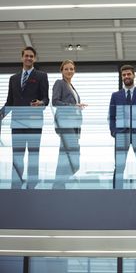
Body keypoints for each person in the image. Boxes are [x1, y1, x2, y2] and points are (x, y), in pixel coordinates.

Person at [0, 46, 49, 189]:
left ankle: (32, 186)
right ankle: (16, 185)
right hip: (17, 123)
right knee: (17, 155)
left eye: (31, 56)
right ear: (22, 57)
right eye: (26, 56)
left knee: (34, 155)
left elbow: (46, 99)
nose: (28, 58)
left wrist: (41, 103)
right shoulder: (13, 78)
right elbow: (10, 102)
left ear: (35, 59)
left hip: (34, 123)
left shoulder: (41, 76)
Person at [109, 64, 136, 189]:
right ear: (122, 77)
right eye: (124, 75)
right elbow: (112, 117)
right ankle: (117, 195)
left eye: (128, 74)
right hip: (121, 135)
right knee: (119, 167)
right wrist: (114, 132)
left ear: (134, 75)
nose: (126, 76)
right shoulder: (115, 96)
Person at [52, 60, 87, 189]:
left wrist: (77, 108)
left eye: (71, 69)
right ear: (61, 70)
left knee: (64, 154)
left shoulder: (72, 87)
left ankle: (58, 185)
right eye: (66, 69)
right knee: (72, 153)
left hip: (74, 125)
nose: (69, 71)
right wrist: (73, 106)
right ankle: (59, 183)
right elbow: (55, 102)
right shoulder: (59, 83)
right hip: (64, 123)